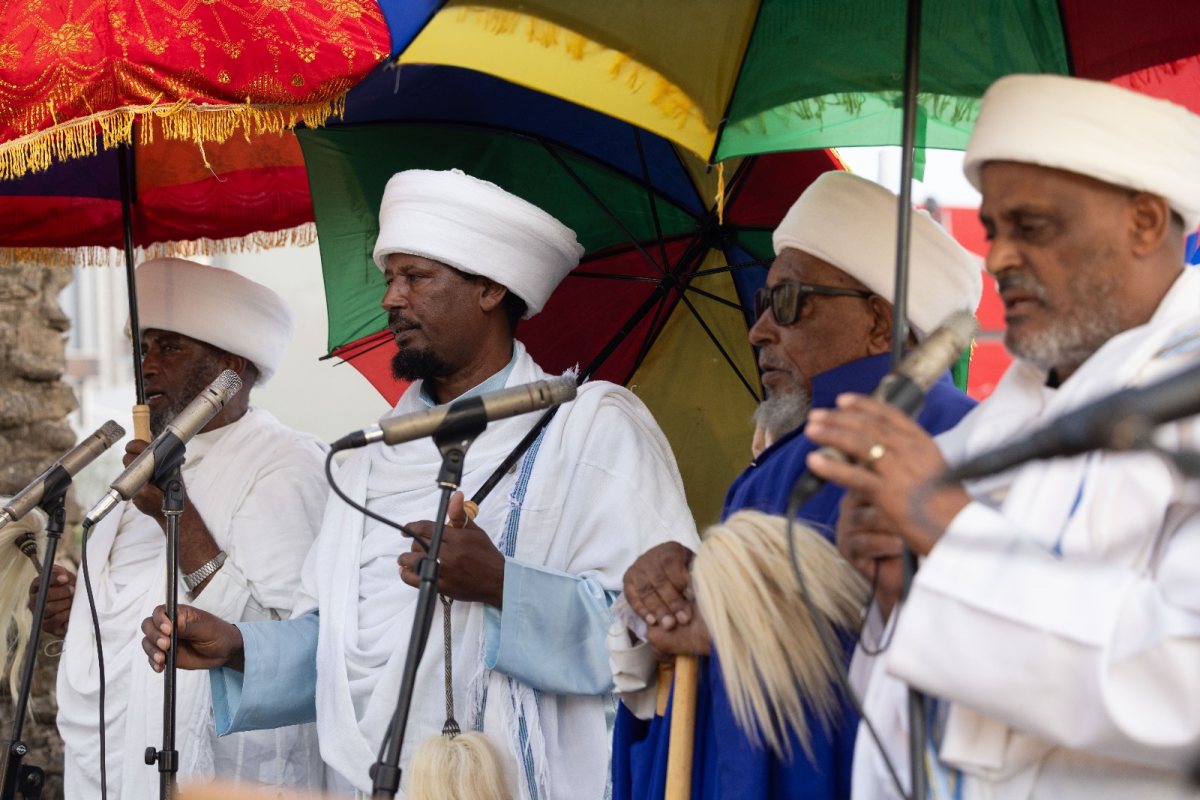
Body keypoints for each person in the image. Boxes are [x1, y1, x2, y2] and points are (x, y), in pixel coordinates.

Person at [140, 169, 700, 799]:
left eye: (416, 277)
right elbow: (340, 649)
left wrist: (500, 585)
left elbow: (656, 633)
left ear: (490, 288)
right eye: (389, 279)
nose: (391, 300)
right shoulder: (366, 457)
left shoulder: (592, 428)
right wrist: (240, 647)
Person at [804, 74, 1200, 799]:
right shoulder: (1002, 417)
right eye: (994, 229)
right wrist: (896, 583)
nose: (998, 259)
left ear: (1145, 223)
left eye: (1034, 228)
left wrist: (954, 536)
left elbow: (1184, 686)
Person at [610, 171, 982, 799]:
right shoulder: (792, 451)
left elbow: (960, 648)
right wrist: (670, 592)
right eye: (763, 304)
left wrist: (734, 612)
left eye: (788, 302)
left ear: (878, 321)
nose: (759, 332)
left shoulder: (950, 438)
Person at [31, 258, 329, 799]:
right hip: (110, 767)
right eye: (141, 349)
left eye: (169, 348)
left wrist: (177, 517)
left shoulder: (287, 464)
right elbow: (130, 617)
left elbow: (291, 644)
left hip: (225, 774)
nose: (146, 367)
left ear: (231, 367)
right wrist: (79, 614)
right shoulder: (146, 466)